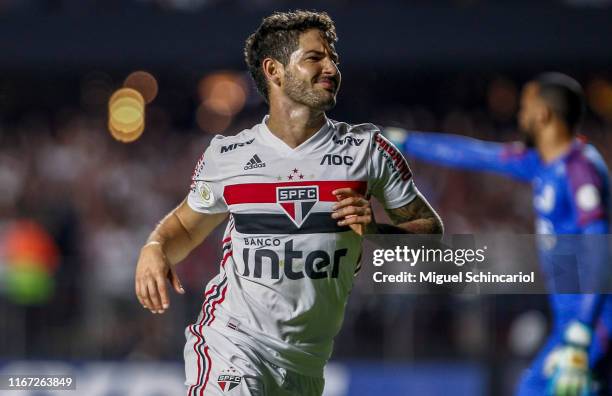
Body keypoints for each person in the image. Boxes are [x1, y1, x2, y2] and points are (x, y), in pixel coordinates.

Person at [134, 10, 442, 396]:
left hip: (306, 365)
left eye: (333, 57)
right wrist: (154, 247)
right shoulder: (228, 155)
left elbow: (431, 236)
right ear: (274, 70)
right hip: (232, 342)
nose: (331, 66)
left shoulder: (369, 151)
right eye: (315, 57)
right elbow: (184, 226)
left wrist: (378, 230)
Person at [386, 73, 611, 396]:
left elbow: (600, 251)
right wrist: (406, 141)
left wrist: (582, 332)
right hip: (570, 320)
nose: (519, 116)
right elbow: (473, 154)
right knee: (532, 389)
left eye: (525, 108)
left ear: (543, 114)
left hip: (594, 320)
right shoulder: (540, 163)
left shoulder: (579, 170)